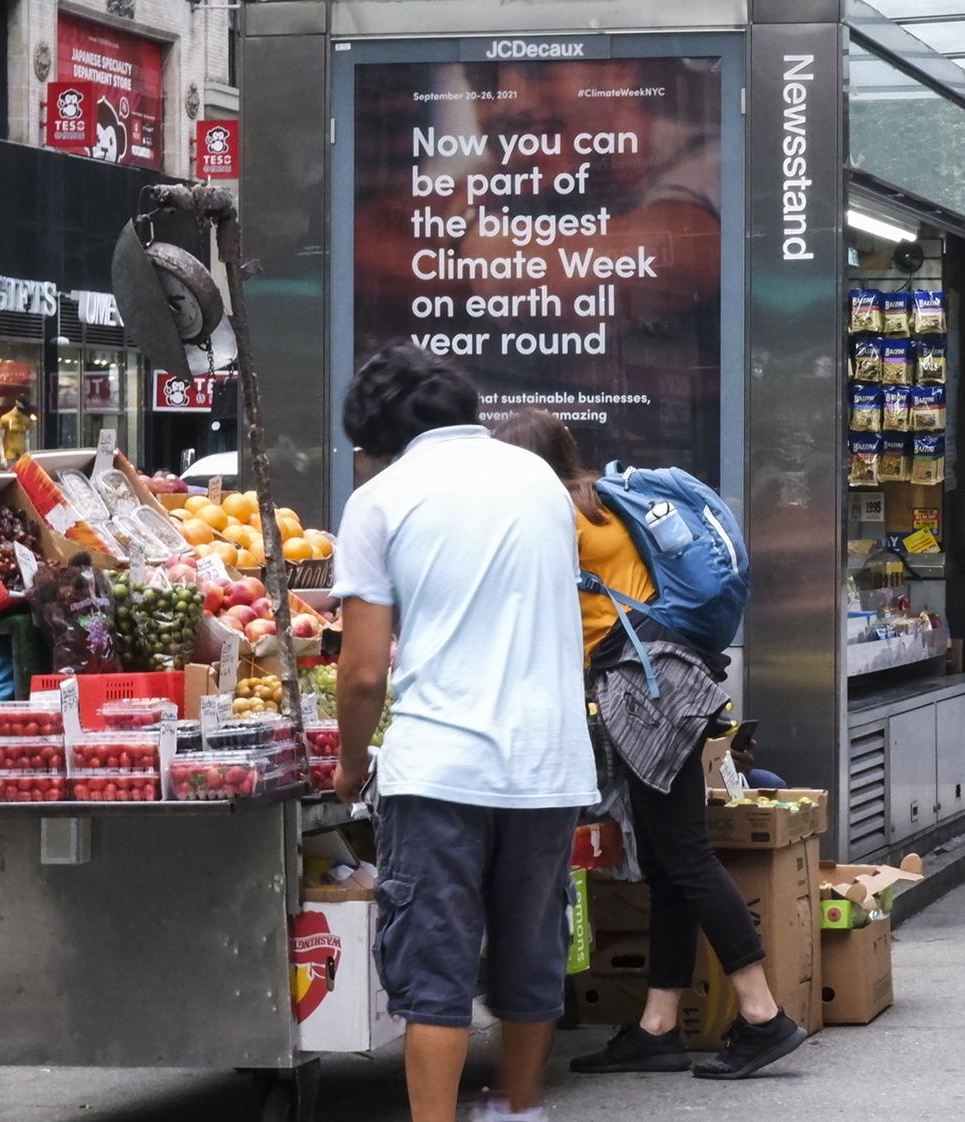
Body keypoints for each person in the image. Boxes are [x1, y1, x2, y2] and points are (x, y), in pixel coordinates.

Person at [493, 409, 808, 1081]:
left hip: (645, 691)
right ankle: (659, 1025)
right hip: (664, 682)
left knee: (686, 857)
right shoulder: (600, 504)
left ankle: (761, 1014)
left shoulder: (554, 519)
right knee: (669, 864)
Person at [329, 346, 600, 1122]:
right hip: (547, 765)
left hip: (440, 767)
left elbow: (361, 674)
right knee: (530, 956)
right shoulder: (540, 484)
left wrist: (350, 767)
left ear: (378, 437)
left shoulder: (382, 500)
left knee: (434, 979)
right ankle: (520, 1108)